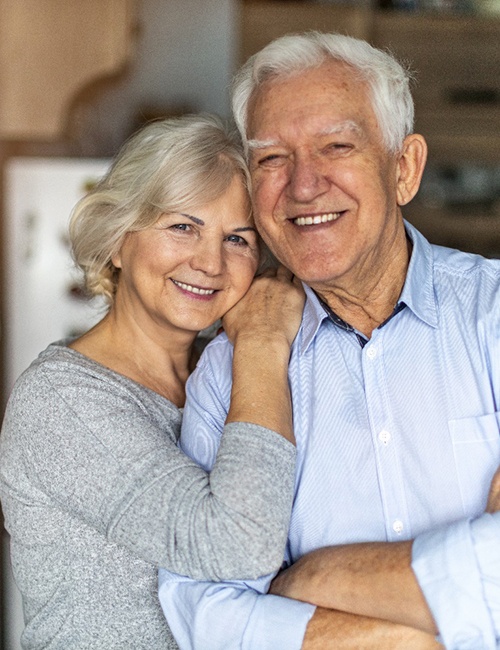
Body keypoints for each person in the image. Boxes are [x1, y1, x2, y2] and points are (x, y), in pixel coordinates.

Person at [158, 32, 500, 649]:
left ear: (404, 168)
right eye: (271, 159)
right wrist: (400, 641)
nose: (304, 185)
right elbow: (200, 605)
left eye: (336, 146)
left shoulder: (494, 315)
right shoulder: (231, 374)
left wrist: (311, 579)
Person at [0, 114, 306, 649]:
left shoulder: (225, 376)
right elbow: (236, 547)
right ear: (120, 240)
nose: (210, 262)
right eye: (182, 226)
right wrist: (260, 344)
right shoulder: (60, 401)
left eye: (237, 238)